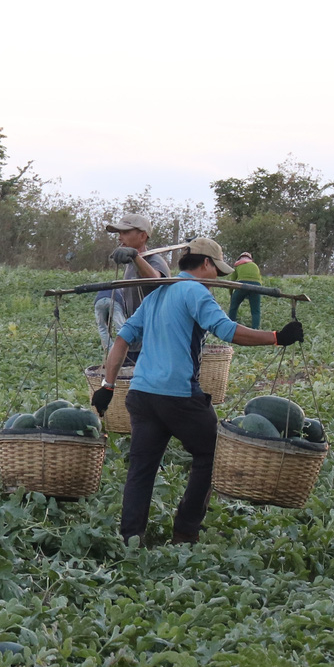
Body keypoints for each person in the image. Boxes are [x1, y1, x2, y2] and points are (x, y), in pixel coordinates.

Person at [92, 238, 305, 543]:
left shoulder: (157, 295)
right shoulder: (196, 292)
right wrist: (276, 337)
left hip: (141, 395)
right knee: (212, 451)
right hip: (178, 394)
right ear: (206, 264)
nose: (217, 277)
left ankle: (131, 537)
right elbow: (228, 330)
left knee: (141, 467)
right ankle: (186, 530)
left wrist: (107, 386)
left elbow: (121, 341)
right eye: (217, 269)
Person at [95, 212, 171, 356]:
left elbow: (155, 278)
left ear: (142, 236)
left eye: (125, 232)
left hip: (154, 339)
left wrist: (135, 257)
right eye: (119, 233)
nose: (119, 237)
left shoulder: (154, 260)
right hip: (136, 339)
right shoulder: (130, 265)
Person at [227, 251, 262, 328]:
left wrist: (231, 294)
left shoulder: (238, 265)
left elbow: (232, 282)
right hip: (257, 286)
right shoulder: (255, 265)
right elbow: (259, 279)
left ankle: (230, 325)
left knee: (234, 307)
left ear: (240, 258)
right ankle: (255, 329)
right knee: (256, 311)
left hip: (242, 285)